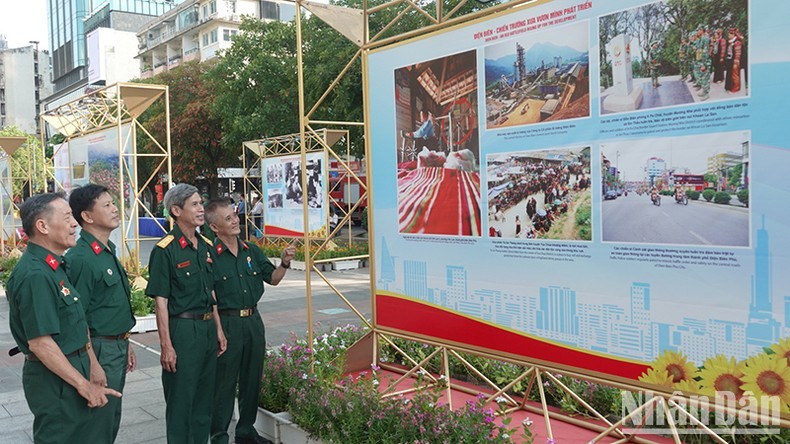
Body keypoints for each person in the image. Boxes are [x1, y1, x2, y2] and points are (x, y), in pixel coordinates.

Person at [6, 193, 121, 443]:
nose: (74, 224)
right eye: (67, 217)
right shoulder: (35, 275)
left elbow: (77, 323)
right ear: (42, 226)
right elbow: (40, 343)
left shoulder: (56, 266)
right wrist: (83, 384)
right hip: (54, 381)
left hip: (74, 366)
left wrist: (92, 364)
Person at [205, 198, 295, 444]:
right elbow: (210, 297)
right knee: (224, 385)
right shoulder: (209, 255)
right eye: (228, 218)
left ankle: (246, 431)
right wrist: (218, 330)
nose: (235, 221)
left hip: (253, 321)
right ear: (214, 227)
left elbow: (273, 278)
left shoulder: (251, 250)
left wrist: (284, 262)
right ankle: (219, 436)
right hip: (227, 323)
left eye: (234, 215)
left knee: (251, 379)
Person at [145, 183, 228, 443]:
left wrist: (218, 330)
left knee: (204, 400)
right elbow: (161, 302)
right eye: (194, 204)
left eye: (201, 203)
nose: (201, 209)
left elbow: (211, 294)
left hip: (205, 330)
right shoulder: (165, 249)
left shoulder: (205, 245)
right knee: (181, 401)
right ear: (176, 210)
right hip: (182, 330)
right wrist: (166, 346)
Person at [65, 184, 137, 443]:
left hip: (115, 345)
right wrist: (93, 363)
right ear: (87, 216)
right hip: (97, 350)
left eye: (113, 203)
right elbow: (77, 317)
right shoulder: (82, 258)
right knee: (98, 424)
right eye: (106, 205)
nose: (115, 209)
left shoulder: (106, 251)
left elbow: (107, 306)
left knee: (110, 420)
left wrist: (125, 341)